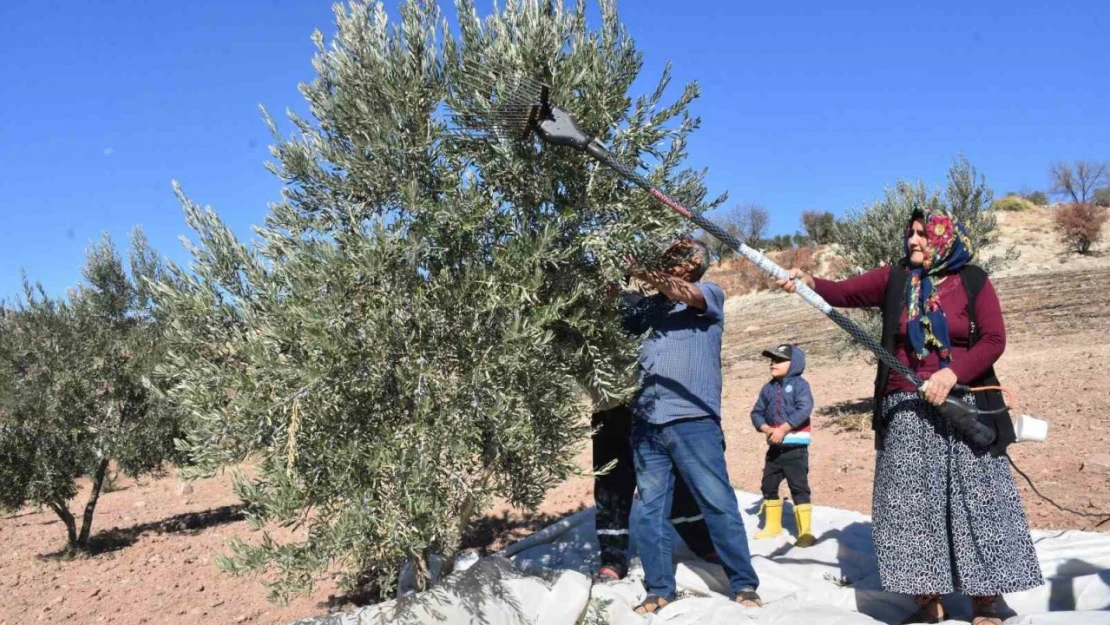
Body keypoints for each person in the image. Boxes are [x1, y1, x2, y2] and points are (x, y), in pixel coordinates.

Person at [777, 207, 1042, 625]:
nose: (914, 241)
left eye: (922, 234)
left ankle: (986, 599)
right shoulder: (896, 278)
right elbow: (841, 292)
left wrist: (952, 372)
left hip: (963, 403)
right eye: (910, 234)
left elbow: (993, 339)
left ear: (943, 237)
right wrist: (806, 282)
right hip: (905, 404)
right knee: (910, 505)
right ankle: (927, 597)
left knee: (978, 500)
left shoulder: (972, 279)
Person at [624, 238, 762, 614]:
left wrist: (641, 270)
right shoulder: (651, 305)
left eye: (677, 250)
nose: (667, 252)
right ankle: (658, 589)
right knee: (651, 511)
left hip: (694, 420)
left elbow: (681, 291)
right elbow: (614, 316)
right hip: (647, 424)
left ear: (695, 260)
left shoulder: (708, 295)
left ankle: (744, 584)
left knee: (717, 503)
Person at [589, 289, 719, 582]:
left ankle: (701, 543)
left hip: (647, 407)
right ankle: (613, 559)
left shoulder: (640, 305)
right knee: (611, 486)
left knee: (675, 480)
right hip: (608, 410)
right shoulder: (584, 310)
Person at [749, 343, 816, 548]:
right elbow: (756, 412)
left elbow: (805, 408)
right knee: (768, 485)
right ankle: (772, 526)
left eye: (779, 360)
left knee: (799, 487)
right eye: (772, 359)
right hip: (774, 448)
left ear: (793, 363)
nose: (773, 363)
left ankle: (805, 532)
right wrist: (765, 428)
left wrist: (783, 429)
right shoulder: (768, 388)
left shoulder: (799, 385)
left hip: (795, 448)